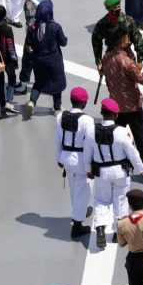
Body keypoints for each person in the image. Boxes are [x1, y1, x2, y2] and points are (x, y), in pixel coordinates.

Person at [85, 97, 143, 248]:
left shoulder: (91, 130)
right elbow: (132, 152)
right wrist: (141, 169)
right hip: (121, 172)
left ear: (101, 112)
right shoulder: (122, 132)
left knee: (101, 200)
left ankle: (100, 229)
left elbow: (87, 153)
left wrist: (88, 169)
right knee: (121, 201)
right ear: (116, 115)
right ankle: (116, 234)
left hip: (102, 172)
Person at [101, 27, 143, 165]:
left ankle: (116, 155)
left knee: (117, 132)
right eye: (127, 39)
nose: (129, 40)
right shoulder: (126, 61)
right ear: (122, 42)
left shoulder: (106, 57)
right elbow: (142, 79)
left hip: (116, 103)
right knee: (139, 131)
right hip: (132, 104)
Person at [55, 87, 95, 238]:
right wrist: (90, 166)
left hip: (66, 158)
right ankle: (77, 225)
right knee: (84, 190)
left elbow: (57, 140)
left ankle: (80, 211)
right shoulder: (87, 120)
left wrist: (58, 158)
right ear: (84, 103)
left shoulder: (60, 117)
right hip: (81, 160)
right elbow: (90, 144)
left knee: (73, 188)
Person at [24, 0, 67, 118]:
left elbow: (28, 45)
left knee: (39, 82)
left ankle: (32, 101)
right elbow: (63, 42)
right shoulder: (55, 27)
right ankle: (57, 108)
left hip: (38, 60)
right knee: (57, 84)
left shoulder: (32, 27)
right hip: (54, 61)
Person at [92, 0, 143, 68]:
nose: (118, 9)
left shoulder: (127, 20)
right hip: (111, 56)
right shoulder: (102, 23)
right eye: (115, 8)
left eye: (119, 7)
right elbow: (96, 41)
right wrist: (99, 62)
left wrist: (140, 60)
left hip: (127, 55)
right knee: (112, 78)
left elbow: (138, 39)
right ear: (108, 9)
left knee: (131, 77)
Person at [16, 0, 48, 93]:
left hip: (34, 36)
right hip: (47, 33)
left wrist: (30, 41)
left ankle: (23, 84)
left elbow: (31, 24)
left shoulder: (30, 1)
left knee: (28, 60)